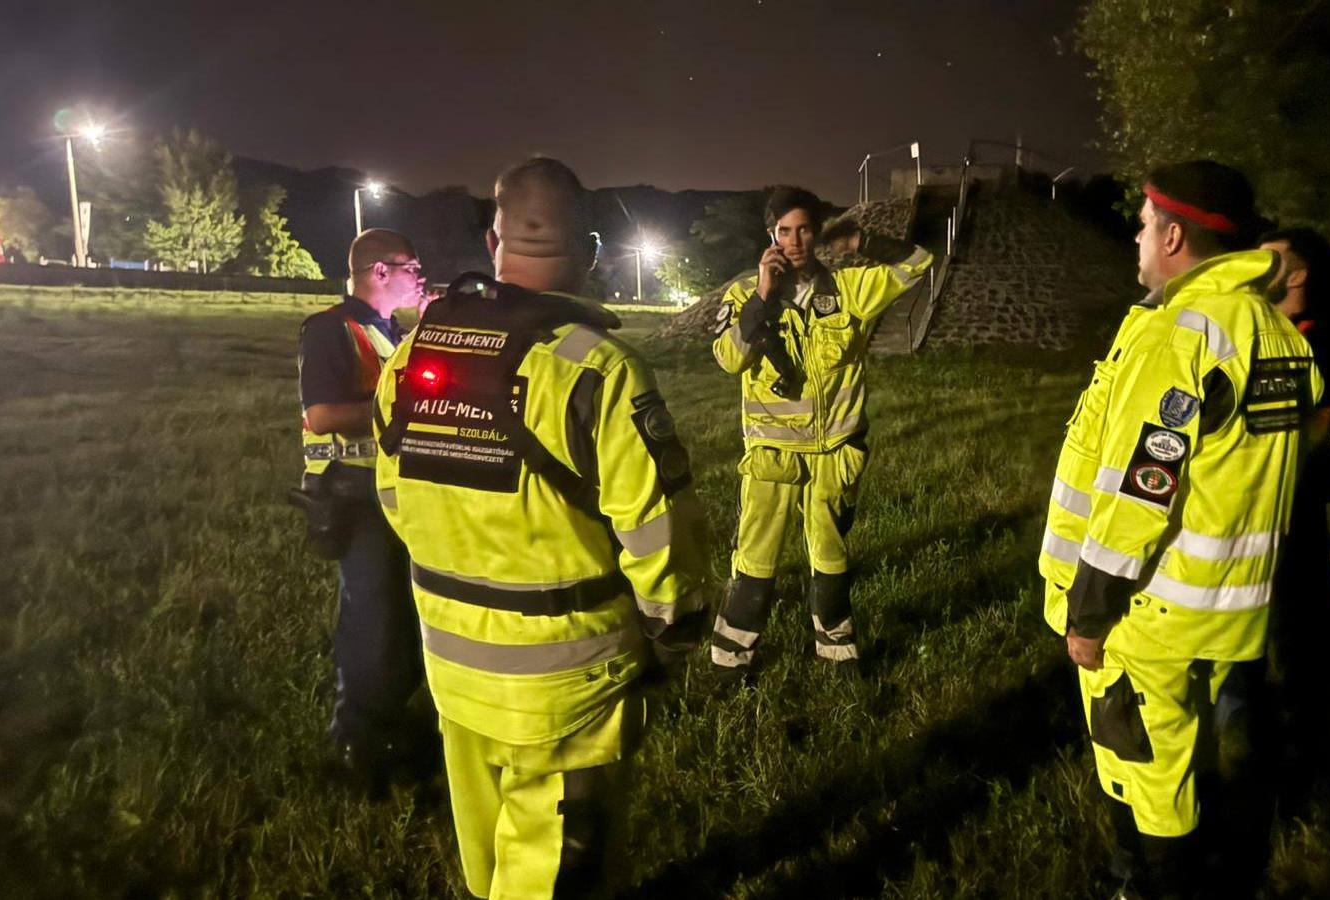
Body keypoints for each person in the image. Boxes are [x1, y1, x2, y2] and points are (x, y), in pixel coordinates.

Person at [372, 157, 710, 899]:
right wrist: (673, 632)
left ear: (494, 242)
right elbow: (658, 530)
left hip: (453, 671)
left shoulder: (412, 357)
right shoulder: (599, 369)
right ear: (590, 250)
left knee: (489, 868)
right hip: (568, 691)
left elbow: (396, 501)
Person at [1037, 161, 1322, 898]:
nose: (1136, 238)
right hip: (1227, 607)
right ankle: (1160, 871)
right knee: (1190, 753)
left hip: (1150, 610)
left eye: (1142, 225)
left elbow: (1137, 494)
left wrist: (1089, 613)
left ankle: (1155, 883)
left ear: (1171, 236)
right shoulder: (1274, 332)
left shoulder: (1181, 336)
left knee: (1147, 767)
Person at [707, 186, 933, 677]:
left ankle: (836, 650)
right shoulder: (744, 294)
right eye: (784, 231)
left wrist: (861, 243)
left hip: (836, 450)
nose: (795, 241)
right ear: (770, 235)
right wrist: (763, 296)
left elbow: (919, 262)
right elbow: (729, 359)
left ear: (817, 232)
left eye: (804, 229)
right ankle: (730, 657)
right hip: (772, 456)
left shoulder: (849, 290)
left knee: (830, 554)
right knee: (756, 555)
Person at [294, 228, 431, 788]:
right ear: (380, 271)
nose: (420, 277)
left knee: (402, 613)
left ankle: (392, 722)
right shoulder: (330, 328)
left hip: (390, 491)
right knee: (372, 617)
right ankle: (357, 741)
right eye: (412, 267)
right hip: (352, 493)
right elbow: (322, 415)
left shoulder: (386, 331)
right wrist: (402, 408)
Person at [1258, 226, 1330, 804]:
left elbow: (1307, 429)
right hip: (1260, 513)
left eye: (1270, 262)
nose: (1255, 269)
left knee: (1302, 633)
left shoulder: (1314, 340)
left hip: (1294, 511)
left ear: (1297, 275)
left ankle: (1309, 769)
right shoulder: (1266, 332)